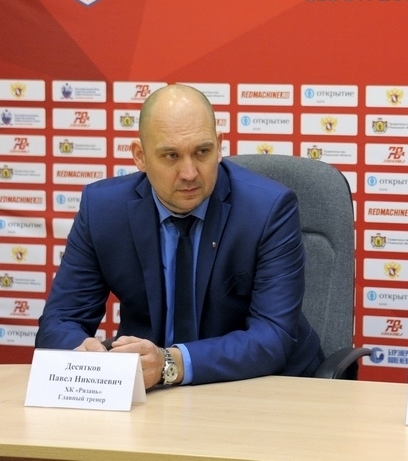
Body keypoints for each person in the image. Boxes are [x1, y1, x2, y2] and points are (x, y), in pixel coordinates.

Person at [36, 84, 324, 389]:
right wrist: (83, 354)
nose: (189, 173)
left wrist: (170, 363)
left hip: (267, 385)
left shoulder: (268, 209)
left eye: (202, 152)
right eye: (171, 155)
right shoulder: (103, 210)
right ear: (140, 157)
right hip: (153, 392)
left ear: (219, 146)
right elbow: (59, 321)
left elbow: (273, 337)